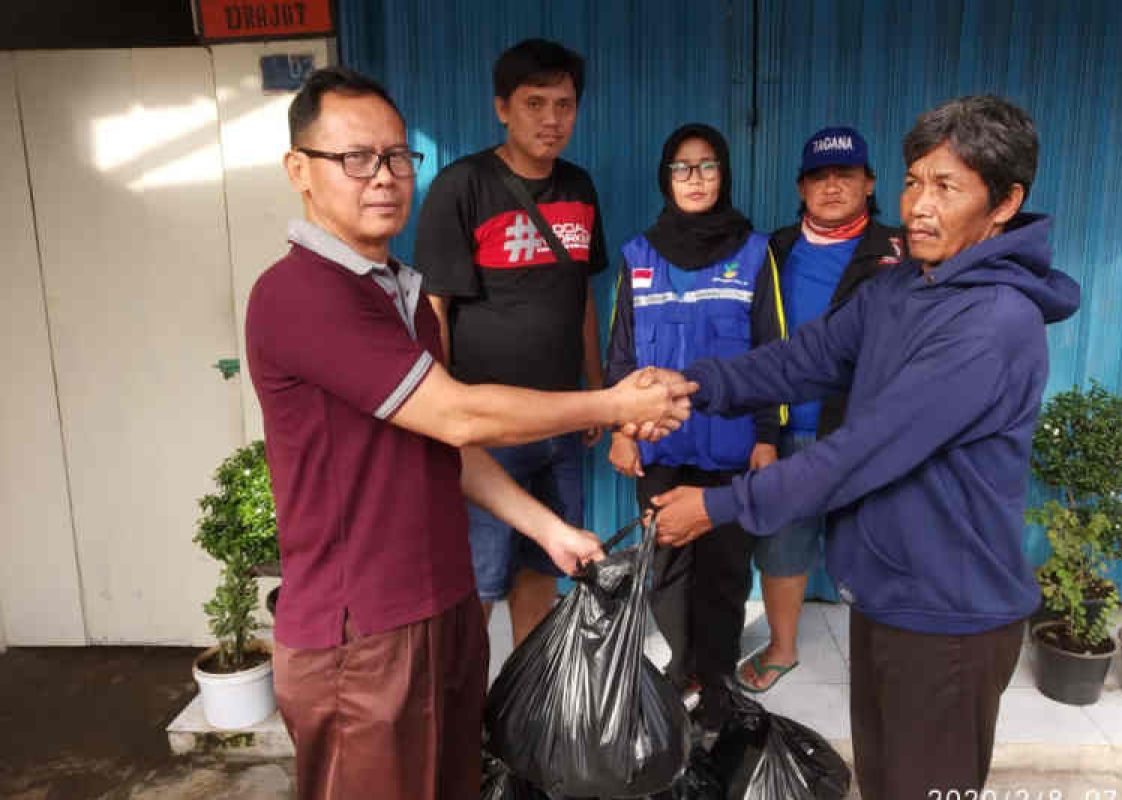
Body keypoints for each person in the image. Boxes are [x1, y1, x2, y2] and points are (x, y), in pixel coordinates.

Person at [244, 66, 694, 800]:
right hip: (361, 632)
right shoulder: (297, 295)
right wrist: (608, 404)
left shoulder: (407, 299)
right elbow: (456, 411)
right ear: (299, 170)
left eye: (397, 156)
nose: (384, 177)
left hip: (444, 606)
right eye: (355, 157)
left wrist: (548, 530)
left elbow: (446, 447)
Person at [651, 96, 1080, 799]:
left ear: (1004, 203)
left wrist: (718, 506)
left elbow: (857, 453)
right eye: (914, 181)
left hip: (949, 619)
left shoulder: (994, 323)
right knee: (881, 781)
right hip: (888, 597)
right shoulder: (905, 285)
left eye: (946, 187)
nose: (918, 205)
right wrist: (689, 386)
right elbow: (802, 359)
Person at [414, 39, 608, 646]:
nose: (552, 120)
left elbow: (581, 294)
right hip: (487, 428)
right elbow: (435, 307)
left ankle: (523, 706)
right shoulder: (462, 185)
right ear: (502, 107)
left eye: (565, 104)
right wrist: (444, 412)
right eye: (534, 103)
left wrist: (597, 388)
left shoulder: (579, 186)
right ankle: (461, 715)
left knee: (544, 566)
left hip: (560, 420)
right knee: (477, 583)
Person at [606, 123, 785, 727]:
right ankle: (682, 671)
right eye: (682, 167)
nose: (695, 178)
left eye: (707, 166)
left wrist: (767, 436)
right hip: (661, 450)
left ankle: (717, 676)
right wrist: (620, 429)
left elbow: (773, 351)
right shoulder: (637, 257)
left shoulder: (757, 253)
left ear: (723, 174)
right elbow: (620, 357)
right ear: (666, 177)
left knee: (727, 569)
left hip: (733, 451)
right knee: (669, 570)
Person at [738, 126, 905, 693]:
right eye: (819, 176)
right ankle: (783, 647)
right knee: (782, 545)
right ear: (802, 186)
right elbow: (756, 340)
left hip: (867, 431)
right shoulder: (775, 250)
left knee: (880, 547)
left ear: (869, 182)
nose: (832, 186)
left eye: (846, 174)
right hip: (790, 429)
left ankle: (885, 660)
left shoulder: (899, 251)